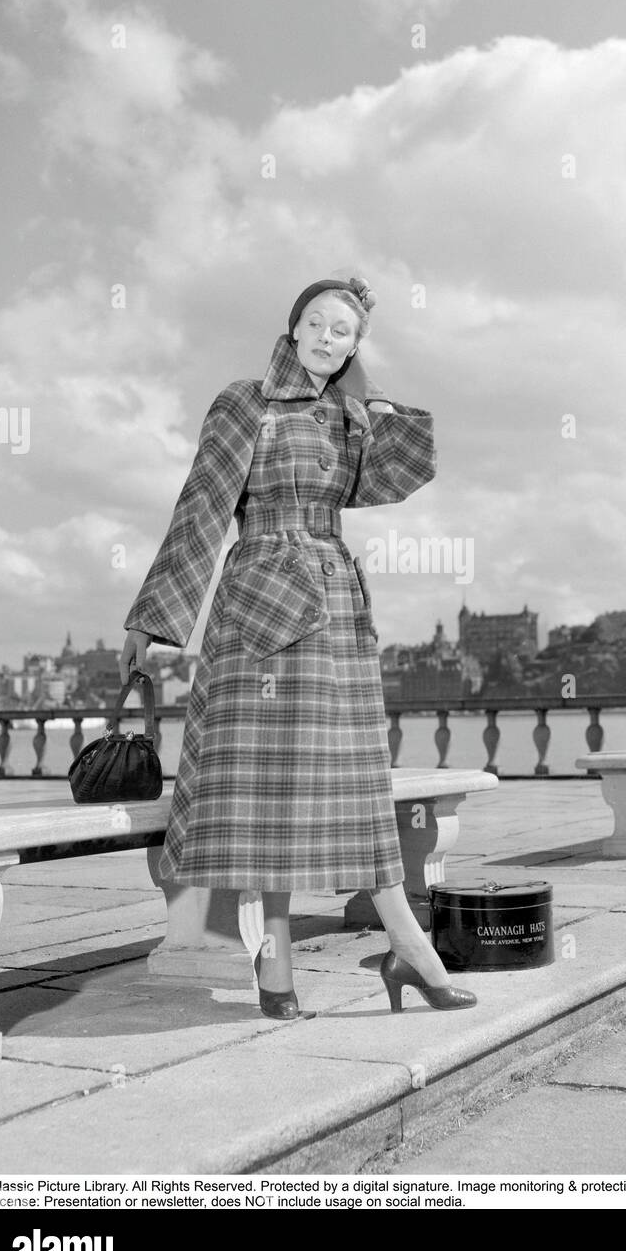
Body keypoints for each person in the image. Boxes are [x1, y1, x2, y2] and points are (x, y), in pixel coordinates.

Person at [119, 270, 476, 1019]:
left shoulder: (349, 420)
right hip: (258, 609)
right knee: (266, 795)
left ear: (354, 349)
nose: (324, 336)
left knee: (353, 780)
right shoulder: (243, 402)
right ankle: (302, 966)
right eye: (315, 322)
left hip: (335, 610)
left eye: (342, 331)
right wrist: (154, 620)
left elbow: (405, 470)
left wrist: (367, 390)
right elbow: (203, 506)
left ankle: (402, 948)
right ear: (292, 326)